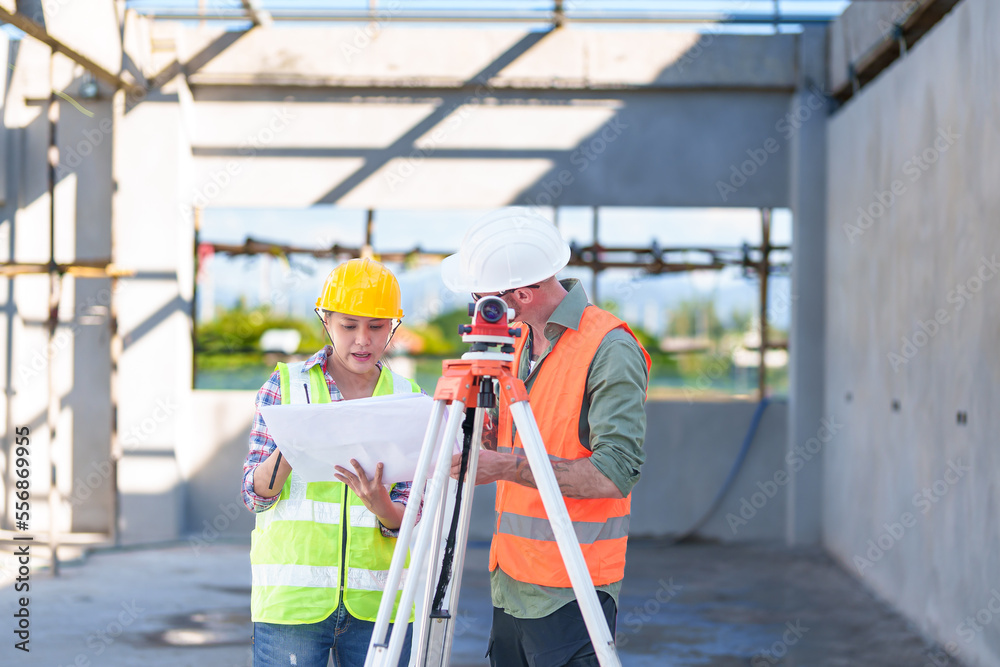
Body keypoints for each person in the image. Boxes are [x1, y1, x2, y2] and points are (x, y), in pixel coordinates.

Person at [441, 211, 651, 667]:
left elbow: (614, 474)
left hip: (573, 587)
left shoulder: (609, 348)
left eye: (482, 297)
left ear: (520, 294)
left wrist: (506, 467)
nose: (478, 307)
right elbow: (501, 441)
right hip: (511, 579)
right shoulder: (515, 344)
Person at [241, 257, 420, 667]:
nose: (363, 340)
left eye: (376, 326)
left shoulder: (406, 397)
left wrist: (383, 508)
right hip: (292, 601)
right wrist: (292, 442)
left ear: (393, 326)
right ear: (327, 321)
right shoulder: (285, 386)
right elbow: (255, 495)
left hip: (379, 607)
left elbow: (414, 515)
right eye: (348, 325)